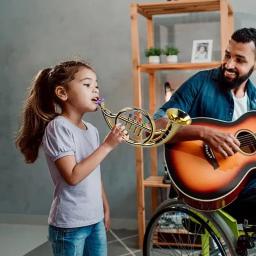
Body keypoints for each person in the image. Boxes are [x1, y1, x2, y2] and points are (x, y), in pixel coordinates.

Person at [15, 60, 128, 256]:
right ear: (62, 93)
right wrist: (108, 145)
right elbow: (73, 176)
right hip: (70, 224)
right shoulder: (58, 127)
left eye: (96, 86)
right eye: (87, 85)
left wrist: (104, 206)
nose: (95, 90)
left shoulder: (91, 130)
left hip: (94, 219)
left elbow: (92, 171)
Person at [154, 27, 256, 223]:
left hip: (243, 190)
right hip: (204, 192)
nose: (228, 64)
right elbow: (157, 125)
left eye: (240, 60)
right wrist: (203, 133)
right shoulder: (201, 82)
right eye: (228, 55)